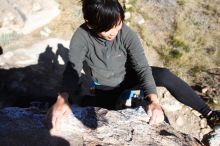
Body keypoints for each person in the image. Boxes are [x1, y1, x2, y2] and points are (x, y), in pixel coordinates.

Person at [47, 0, 220, 131]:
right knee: (108, 113)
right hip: (105, 86)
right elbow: (73, 68)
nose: (113, 32)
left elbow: (143, 68)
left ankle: (209, 114)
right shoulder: (81, 36)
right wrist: (63, 98)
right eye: (107, 29)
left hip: (128, 76)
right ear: (90, 24)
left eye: (118, 24)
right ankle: (83, 100)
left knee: (164, 75)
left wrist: (154, 100)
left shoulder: (126, 33)